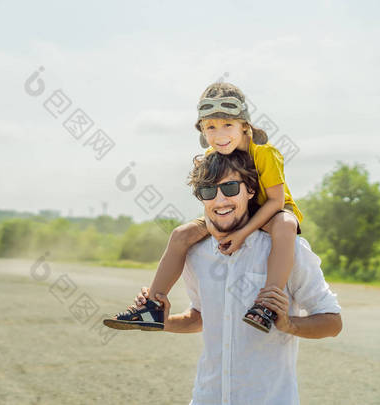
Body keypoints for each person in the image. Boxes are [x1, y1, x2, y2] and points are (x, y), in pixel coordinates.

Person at [135, 150, 342, 404]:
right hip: (206, 397)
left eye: (230, 188)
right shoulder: (195, 254)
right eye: (209, 192)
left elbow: (333, 322)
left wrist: (290, 325)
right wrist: (164, 322)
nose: (220, 200)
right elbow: (199, 318)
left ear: (251, 190)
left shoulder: (289, 250)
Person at [104, 82, 303, 332]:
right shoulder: (213, 154)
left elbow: (275, 200)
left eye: (227, 125)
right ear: (201, 130)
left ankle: (267, 305)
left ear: (245, 125)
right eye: (210, 127)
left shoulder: (264, 152)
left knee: (286, 224)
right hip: (232, 209)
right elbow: (209, 200)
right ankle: (152, 307)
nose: (219, 135)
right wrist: (212, 226)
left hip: (268, 211)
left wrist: (241, 233)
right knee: (181, 234)